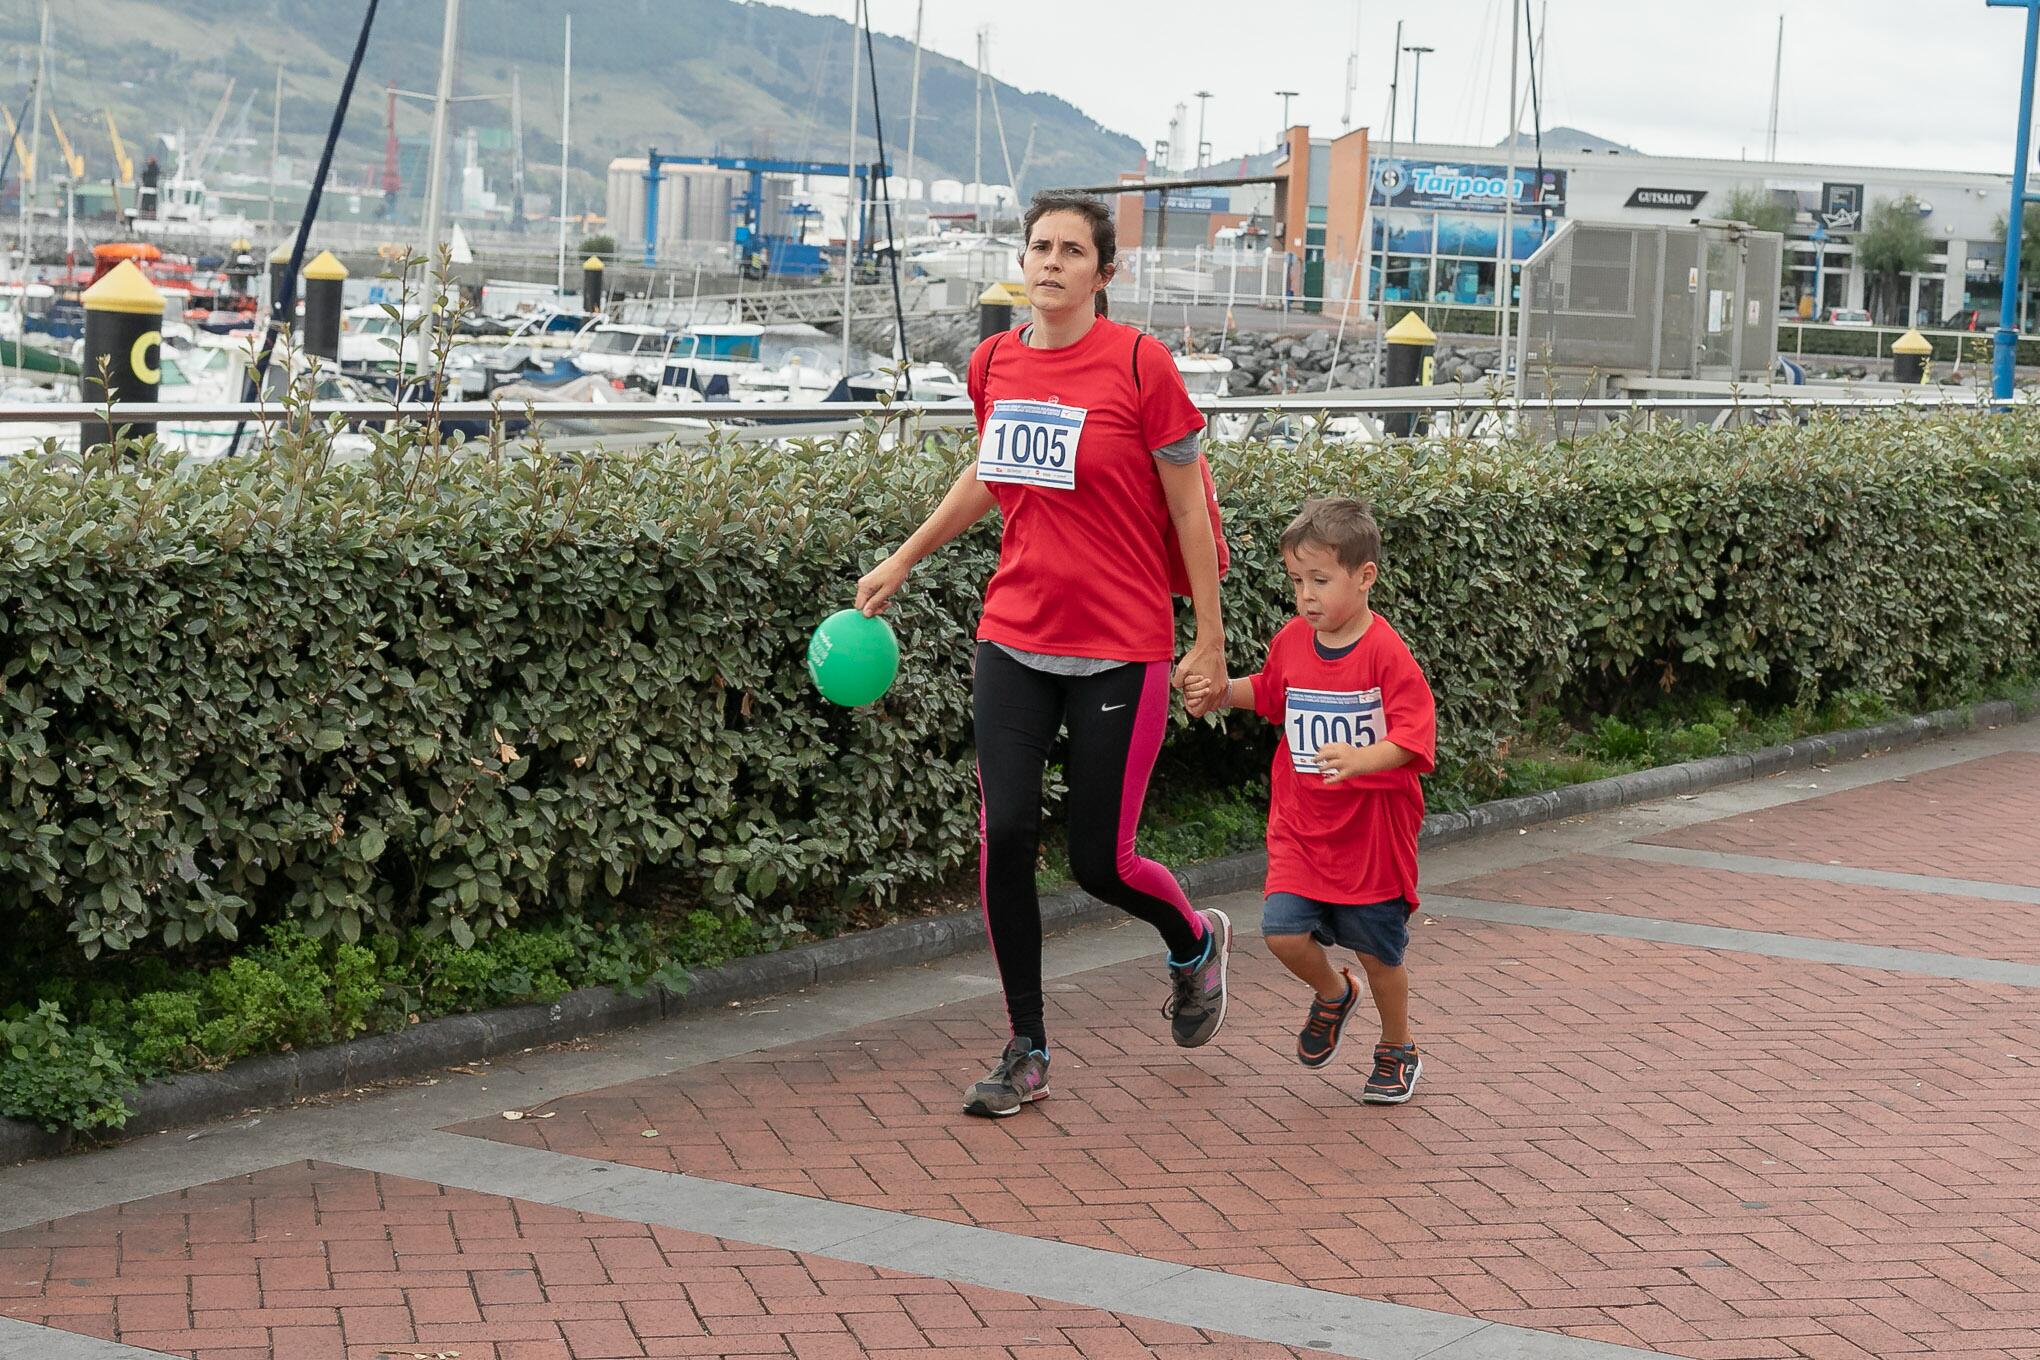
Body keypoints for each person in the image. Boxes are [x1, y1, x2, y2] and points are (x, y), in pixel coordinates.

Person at [855, 190, 1232, 1119]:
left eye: (1072, 250)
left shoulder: (1142, 366)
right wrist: (904, 558)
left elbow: (1189, 510)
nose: (1051, 262)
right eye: (1039, 247)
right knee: (1008, 835)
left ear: (1106, 272)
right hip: (1014, 637)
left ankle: (1193, 941)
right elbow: (991, 469)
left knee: (1101, 863)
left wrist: (1211, 639)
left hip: (1123, 645)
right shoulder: (994, 361)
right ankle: (1027, 1045)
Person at [1182, 498, 1436, 1104]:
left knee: (1379, 956)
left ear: (1364, 576)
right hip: (1301, 826)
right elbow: (1271, 693)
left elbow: (1414, 737)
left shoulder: (1386, 653)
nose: (1306, 596)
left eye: (1320, 581)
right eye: (1297, 581)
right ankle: (1332, 993)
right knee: (1281, 933)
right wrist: (1220, 693)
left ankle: (1398, 1047)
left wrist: (1362, 758)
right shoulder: (1294, 639)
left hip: (1371, 839)